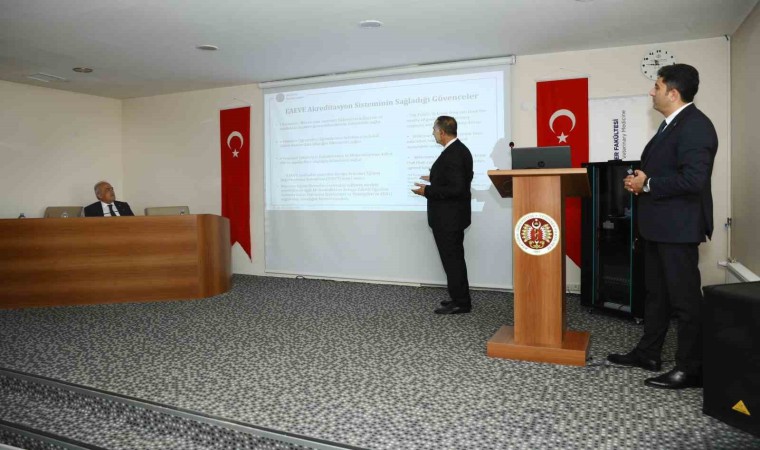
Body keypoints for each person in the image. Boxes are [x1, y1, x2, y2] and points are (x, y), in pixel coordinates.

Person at [607, 64, 718, 389]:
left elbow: (694, 179)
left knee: (685, 301)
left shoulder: (696, 126)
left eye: (656, 86)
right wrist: (641, 181)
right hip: (659, 227)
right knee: (656, 295)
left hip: (678, 228)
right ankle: (648, 353)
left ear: (673, 93)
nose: (651, 92)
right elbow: (667, 171)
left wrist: (648, 183)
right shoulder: (672, 125)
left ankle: (691, 369)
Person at [412, 116, 474, 314]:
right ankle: (458, 297)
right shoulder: (459, 150)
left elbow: (457, 188)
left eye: (434, 129)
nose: (433, 133)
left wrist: (427, 191)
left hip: (449, 220)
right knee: (452, 260)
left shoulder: (454, 153)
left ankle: (461, 303)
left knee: (453, 261)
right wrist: (435, 178)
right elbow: (460, 179)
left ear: (442, 132)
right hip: (451, 218)